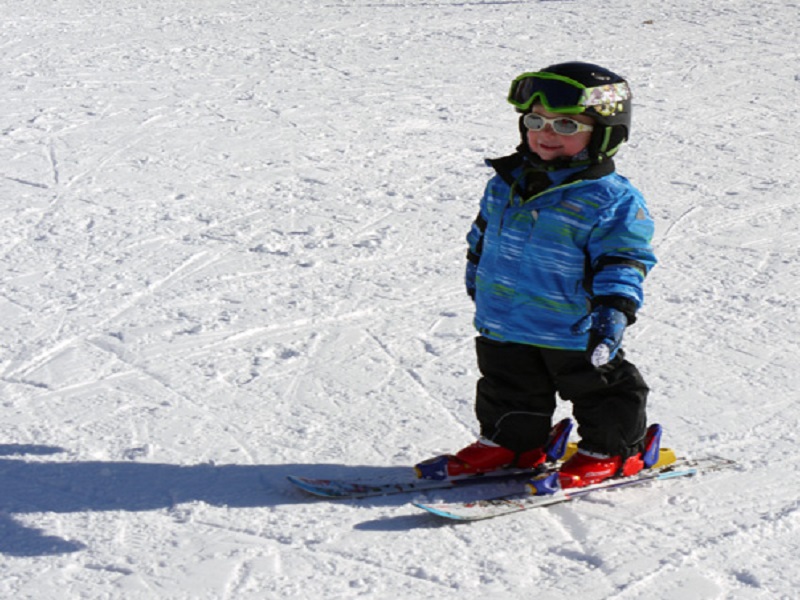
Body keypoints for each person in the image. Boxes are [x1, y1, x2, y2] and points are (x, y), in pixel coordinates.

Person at [415, 62, 661, 490]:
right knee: (506, 386)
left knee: (599, 389)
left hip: (572, 325)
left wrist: (614, 309)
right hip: (505, 319)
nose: (546, 133)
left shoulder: (610, 200)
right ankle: (511, 444)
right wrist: (477, 273)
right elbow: (483, 234)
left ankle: (616, 449)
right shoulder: (505, 182)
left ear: (605, 133)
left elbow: (624, 258)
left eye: (567, 123)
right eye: (535, 120)